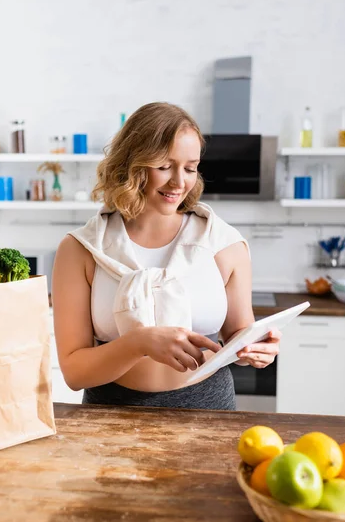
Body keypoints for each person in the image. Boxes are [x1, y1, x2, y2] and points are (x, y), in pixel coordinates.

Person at [52, 102, 281, 410]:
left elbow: (239, 331)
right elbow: (74, 372)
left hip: (208, 407)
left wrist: (256, 347)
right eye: (163, 166)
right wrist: (139, 343)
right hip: (111, 410)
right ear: (130, 164)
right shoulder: (81, 249)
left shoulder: (224, 244)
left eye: (190, 168)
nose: (179, 182)